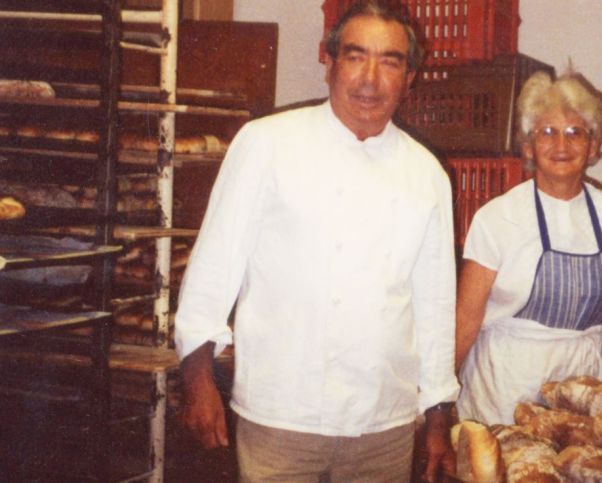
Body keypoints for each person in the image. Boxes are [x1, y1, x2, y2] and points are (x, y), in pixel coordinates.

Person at [174, 2, 459, 481]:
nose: (370, 79)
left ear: (409, 77)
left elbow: (434, 306)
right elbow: (213, 268)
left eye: (390, 62)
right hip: (281, 416)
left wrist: (437, 414)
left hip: (383, 423)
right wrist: (197, 379)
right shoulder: (266, 144)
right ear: (329, 63)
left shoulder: (427, 174)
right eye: (356, 56)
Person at [455, 70, 602, 425]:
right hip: (506, 389)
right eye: (547, 132)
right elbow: (466, 318)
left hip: (589, 387)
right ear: (528, 147)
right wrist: (434, 404)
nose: (561, 145)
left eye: (574, 132)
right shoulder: (497, 219)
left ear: (593, 146)